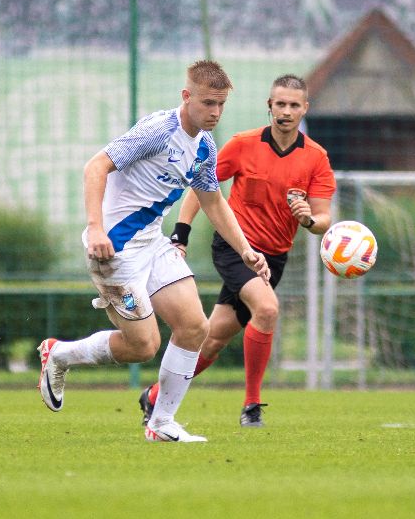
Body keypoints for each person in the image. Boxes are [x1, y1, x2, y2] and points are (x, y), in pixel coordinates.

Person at [36, 60, 270, 443]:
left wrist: (245, 250)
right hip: (115, 250)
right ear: (186, 96)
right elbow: (96, 167)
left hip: (153, 242)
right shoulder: (158, 132)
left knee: (195, 327)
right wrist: (95, 228)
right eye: (208, 103)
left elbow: (213, 201)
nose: (215, 112)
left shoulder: (204, 147)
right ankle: (60, 354)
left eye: (221, 104)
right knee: (143, 346)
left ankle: (161, 424)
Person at [140, 74, 335, 428]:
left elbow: (324, 220)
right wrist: (181, 232)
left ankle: (154, 396)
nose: (286, 111)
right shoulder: (243, 145)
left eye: (294, 105)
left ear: (304, 109)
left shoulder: (316, 158)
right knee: (267, 308)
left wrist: (308, 219)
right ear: (270, 106)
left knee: (213, 339)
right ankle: (252, 405)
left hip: (274, 258)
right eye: (280, 104)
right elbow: (201, 187)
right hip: (235, 249)